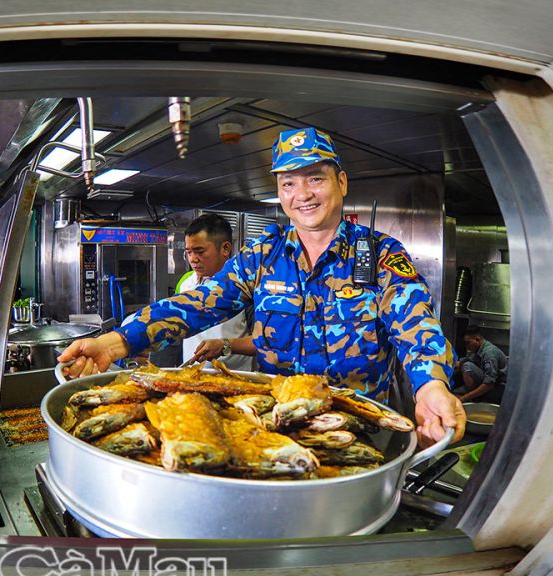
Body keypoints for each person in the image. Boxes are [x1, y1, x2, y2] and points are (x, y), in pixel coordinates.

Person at [59, 127, 465, 445]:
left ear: (341, 182)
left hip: (360, 426)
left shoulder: (378, 254)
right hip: (277, 427)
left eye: (315, 179)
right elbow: (198, 303)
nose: (302, 194)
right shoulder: (261, 257)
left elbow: (416, 322)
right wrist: (114, 343)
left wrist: (431, 384)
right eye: (289, 183)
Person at [176, 214, 254, 371]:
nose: (193, 259)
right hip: (191, 378)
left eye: (199, 251)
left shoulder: (247, 288)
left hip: (235, 380)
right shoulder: (185, 283)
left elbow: (263, 342)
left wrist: (225, 345)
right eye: (189, 252)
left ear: (225, 248)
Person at [457, 326, 508, 404]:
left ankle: (475, 397)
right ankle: (473, 394)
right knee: (464, 363)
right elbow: (466, 360)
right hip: (492, 383)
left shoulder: (489, 354)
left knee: (467, 366)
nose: (467, 347)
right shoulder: (478, 348)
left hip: (499, 389)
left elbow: (489, 383)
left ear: (477, 339)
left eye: (468, 343)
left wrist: (465, 397)